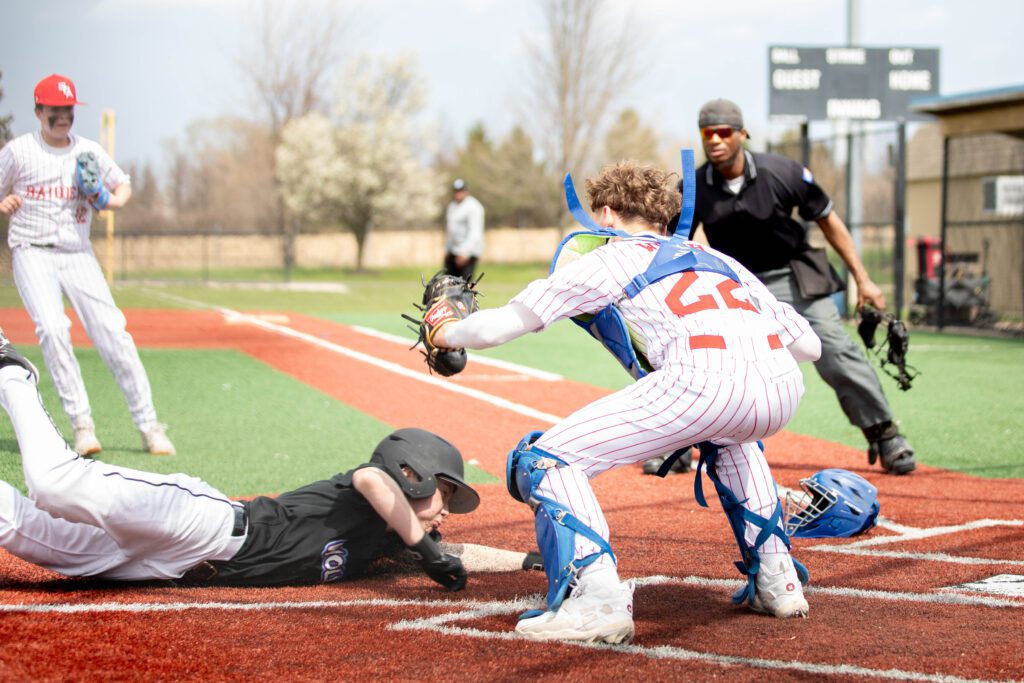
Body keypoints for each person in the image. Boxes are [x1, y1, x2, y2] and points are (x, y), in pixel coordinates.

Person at [429, 161, 823, 643]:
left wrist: (444, 330)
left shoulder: (611, 256)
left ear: (607, 214)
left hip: (700, 379)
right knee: (730, 439)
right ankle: (778, 580)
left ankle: (596, 600)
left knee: (545, 461)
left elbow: (498, 328)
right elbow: (809, 347)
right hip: (782, 385)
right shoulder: (716, 257)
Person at [0, 328, 481, 588]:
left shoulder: (388, 541)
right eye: (443, 492)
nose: (446, 511)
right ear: (410, 473)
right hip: (200, 522)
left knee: (25, 532)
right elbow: (375, 483)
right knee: (53, 484)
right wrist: (428, 552)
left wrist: (523, 561)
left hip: (176, 568)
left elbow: (463, 553)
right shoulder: (367, 488)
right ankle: (14, 376)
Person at [658, 98, 915, 476]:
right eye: (707, 133)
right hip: (734, 284)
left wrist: (863, 278)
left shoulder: (783, 172)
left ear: (742, 134)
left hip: (790, 275)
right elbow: (673, 243)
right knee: (698, 353)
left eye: (724, 132)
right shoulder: (694, 187)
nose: (715, 140)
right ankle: (676, 444)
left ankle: (884, 433)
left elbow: (829, 221)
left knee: (833, 346)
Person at [0, 74, 175, 457]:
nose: (63, 116)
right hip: (32, 250)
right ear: (39, 111)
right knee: (53, 329)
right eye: (55, 109)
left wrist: (110, 200)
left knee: (114, 333)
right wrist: (4, 204)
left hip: (78, 253)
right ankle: (82, 426)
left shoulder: (88, 152)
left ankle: (148, 425)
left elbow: (122, 186)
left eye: (68, 109)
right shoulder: (18, 151)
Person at [443, 178, 484, 282]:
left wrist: (465, 252)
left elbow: (475, 232)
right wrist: (447, 249)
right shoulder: (452, 206)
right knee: (448, 284)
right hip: (453, 251)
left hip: (467, 253)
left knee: (463, 286)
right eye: (456, 191)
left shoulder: (473, 207)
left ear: (466, 191)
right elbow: (450, 230)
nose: (458, 193)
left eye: (460, 190)